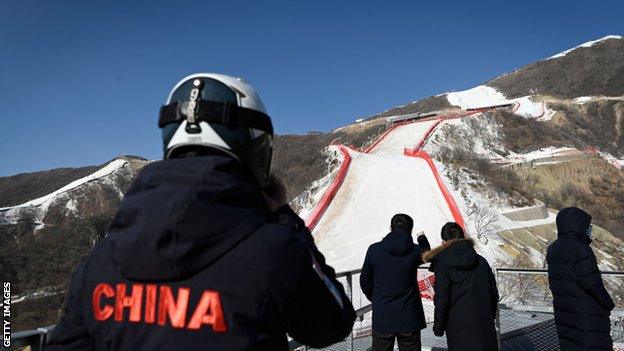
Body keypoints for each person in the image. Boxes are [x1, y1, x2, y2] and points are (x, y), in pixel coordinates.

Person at [47, 73, 356, 350]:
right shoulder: (273, 248)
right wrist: (285, 217)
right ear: (254, 150)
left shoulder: (102, 259)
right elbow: (333, 323)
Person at [359, 213, 431, 351]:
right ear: (410, 230)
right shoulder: (416, 251)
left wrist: (375, 298)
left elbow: (364, 280)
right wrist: (421, 238)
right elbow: (427, 253)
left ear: (390, 227)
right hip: (410, 317)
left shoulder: (374, 249)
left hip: (383, 316)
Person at [547, 207, 615, 351]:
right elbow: (592, 284)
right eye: (587, 227)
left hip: (565, 313)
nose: (589, 231)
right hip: (587, 317)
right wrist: (608, 304)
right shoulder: (581, 250)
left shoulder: (553, 249)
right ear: (577, 226)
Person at [423, 222, 499, 351]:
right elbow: (493, 293)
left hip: (459, 327)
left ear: (443, 242)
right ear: (463, 237)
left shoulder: (443, 264)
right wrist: (488, 316)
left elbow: (442, 299)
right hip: (484, 324)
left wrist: (439, 326)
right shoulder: (481, 261)